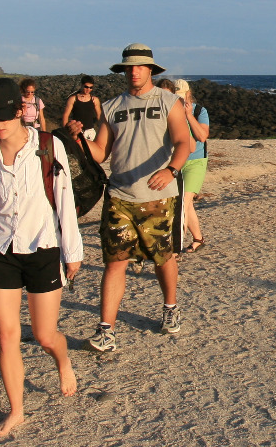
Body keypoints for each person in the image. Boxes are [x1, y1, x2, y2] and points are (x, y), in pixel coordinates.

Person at [0, 78, 83, 436]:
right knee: (7, 334)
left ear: (20, 111)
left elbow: (64, 199)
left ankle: (62, 360)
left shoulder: (47, 146)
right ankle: (16, 410)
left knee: (45, 336)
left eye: (3, 117)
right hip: (1, 250)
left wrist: (72, 252)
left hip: (43, 247)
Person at [68, 43, 193, 352]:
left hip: (158, 197)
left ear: (151, 70)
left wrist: (171, 170)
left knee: (163, 258)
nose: (134, 71)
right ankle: (106, 331)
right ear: (123, 70)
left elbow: (183, 142)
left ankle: (170, 307)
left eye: (140, 66)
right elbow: (100, 152)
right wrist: (79, 138)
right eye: (129, 67)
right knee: (115, 262)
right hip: (119, 197)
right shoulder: (112, 107)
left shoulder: (169, 102)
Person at [160, 78, 209, 252]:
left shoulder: (199, 111)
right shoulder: (170, 109)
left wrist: (187, 115)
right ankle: (198, 238)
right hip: (176, 161)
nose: (179, 99)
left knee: (184, 201)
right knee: (186, 204)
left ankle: (176, 246)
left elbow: (201, 137)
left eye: (182, 96)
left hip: (196, 161)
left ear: (188, 94)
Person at [61, 75, 102, 141]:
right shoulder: (73, 99)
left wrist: (102, 130)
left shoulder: (95, 100)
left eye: (91, 87)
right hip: (77, 131)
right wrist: (66, 131)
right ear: (81, 85)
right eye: (86, 87)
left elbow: (99, 116)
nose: (88, 89)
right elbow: (65, 115)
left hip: (90, 132)